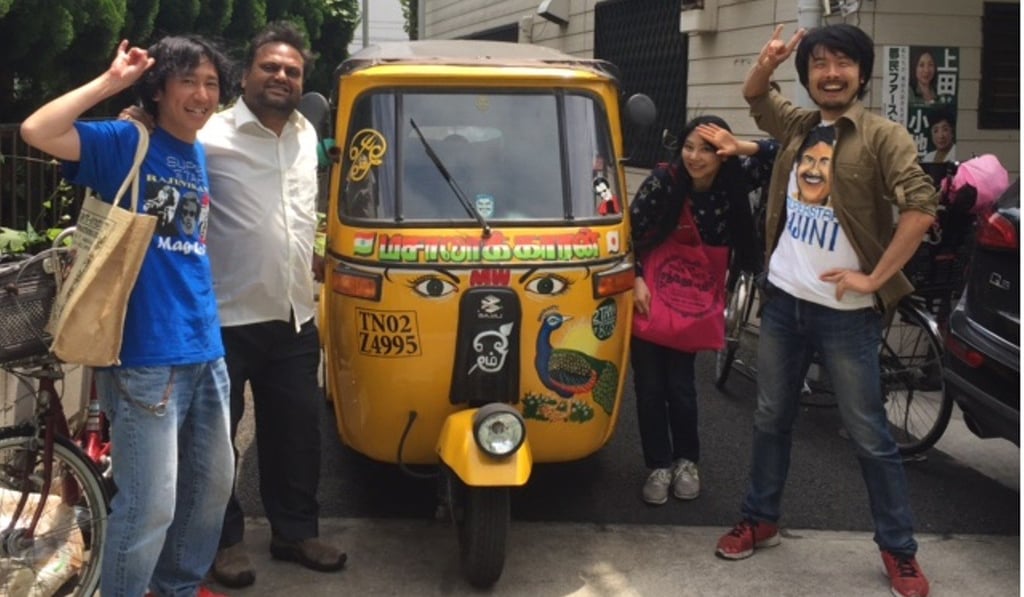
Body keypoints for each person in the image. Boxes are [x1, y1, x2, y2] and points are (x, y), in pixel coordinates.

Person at [714, 24, 939, 597]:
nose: (830, 72)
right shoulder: (799, 126)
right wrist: (767, 61)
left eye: (842, 62)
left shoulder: (883, 136)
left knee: (869, 435)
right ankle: (760, 517)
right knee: (770, 419)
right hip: (785, 300)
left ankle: (899, 551)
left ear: (861, 74)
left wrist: (875, 277)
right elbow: (756, 97)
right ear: (809, 74)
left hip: (847, 313)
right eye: (819, 63)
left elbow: (920, 206)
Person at [20, 36, 235, 597]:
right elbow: (37, 131)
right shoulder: (127, 140)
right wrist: (110, 83)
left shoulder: (195, 152)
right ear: (159, 88)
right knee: (148, 508)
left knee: (209, 491)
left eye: (211, 83)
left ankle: (177, 588)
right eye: (188, 80)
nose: (202, 94)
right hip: (145, 358)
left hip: (205, 348)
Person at [200, 22, 346, 587]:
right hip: (226, 316)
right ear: (246, 74)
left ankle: (295, 531)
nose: (281, 76)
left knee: (297, 433)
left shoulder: (307, 134)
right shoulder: (209, 135)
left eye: (292, 70)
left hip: (293, 315)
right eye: (271, 67)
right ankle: (223, 540)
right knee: (218, 442)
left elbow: (298, 210)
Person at [629, 115, 775, 506]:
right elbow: (627, 233)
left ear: (722, 154)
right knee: (649, 387)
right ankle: (658, 465)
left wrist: (739, 145)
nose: (694, 157)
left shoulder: (734, 181)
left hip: (693, 302)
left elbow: (782, 155)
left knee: (680, 386)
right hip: (649, 294)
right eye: (688, 147)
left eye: (706, 149)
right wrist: (635, 278)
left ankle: (686, 461)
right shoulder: (664, 181)